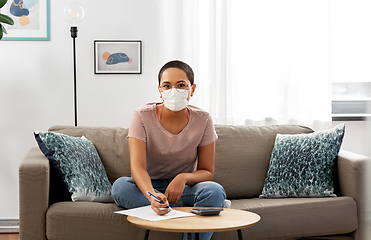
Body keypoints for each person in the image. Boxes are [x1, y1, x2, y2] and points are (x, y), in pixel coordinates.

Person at [112, 60, 226, 240]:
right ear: (160, 90)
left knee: (215, 191)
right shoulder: (141, 115)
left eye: (181, 85)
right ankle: (190, 210)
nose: (174, 91)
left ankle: (170, 209)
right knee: (120, 187)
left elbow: (207, 171)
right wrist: (152, 197)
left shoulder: (203, 119)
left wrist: (183, 177)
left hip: (185, 188)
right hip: (150, 186)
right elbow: (138, 168)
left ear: (192, 89)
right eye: (167, 86)